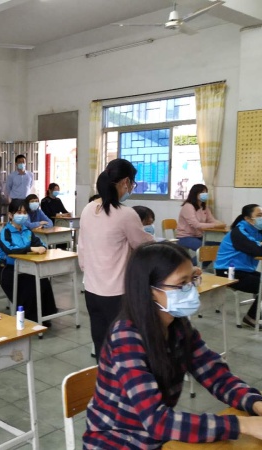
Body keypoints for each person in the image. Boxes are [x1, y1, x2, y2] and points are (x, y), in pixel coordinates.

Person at [84, 242, 262, 449]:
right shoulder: (126, 337)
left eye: (192, 280)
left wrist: (255, 403)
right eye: (181, 284)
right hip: (117, 443)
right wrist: (242, 424)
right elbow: (157, 422)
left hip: (157, 440)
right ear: (150, 290)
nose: (191, 289)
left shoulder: (178, 326)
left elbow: (215, 374)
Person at [78, 159, 154, 360]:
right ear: (125, 182)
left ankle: (104, 377)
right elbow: (142, 244)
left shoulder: (88, 209)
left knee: (101, 343)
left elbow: (82, 247)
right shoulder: (125, 213)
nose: (132, 187)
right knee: (123, 346)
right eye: (133, 183)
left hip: (92, 288)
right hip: (117, 293)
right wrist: (154, 239)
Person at [0, 202, 57, 325]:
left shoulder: (27, 231)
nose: (22, 215)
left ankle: (45, 315)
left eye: (24, 213)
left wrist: (43, 247)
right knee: (29, 286)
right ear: (11, 215)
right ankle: (31, 318)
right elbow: (10, 249)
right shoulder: (5, 232)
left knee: (43, 280)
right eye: (19, 212)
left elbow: (40, 243)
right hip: (7, 269)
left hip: (26, 267)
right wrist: (30, 249)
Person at [215, 204, 262, 328]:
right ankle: (252, 318)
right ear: (247, 218)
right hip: (227, 272)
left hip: (245, 270)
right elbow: (257, 250)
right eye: (259, 215)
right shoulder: (239, 232)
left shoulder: (256, 230)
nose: (261, 218)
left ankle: (257, 314)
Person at [177, 184, 224, 253]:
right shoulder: (188, 206)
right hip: (185, 237)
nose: (205, 194)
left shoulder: (204, 207)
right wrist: (215, 225)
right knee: (206, 250)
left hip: (199, 236)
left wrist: (221, 224)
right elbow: (196, 225)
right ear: (195, 194)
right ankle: (192, 260)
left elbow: (211, 220)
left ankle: (198, 260)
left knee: (219, 246)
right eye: (202, 192)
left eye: (206, 192)